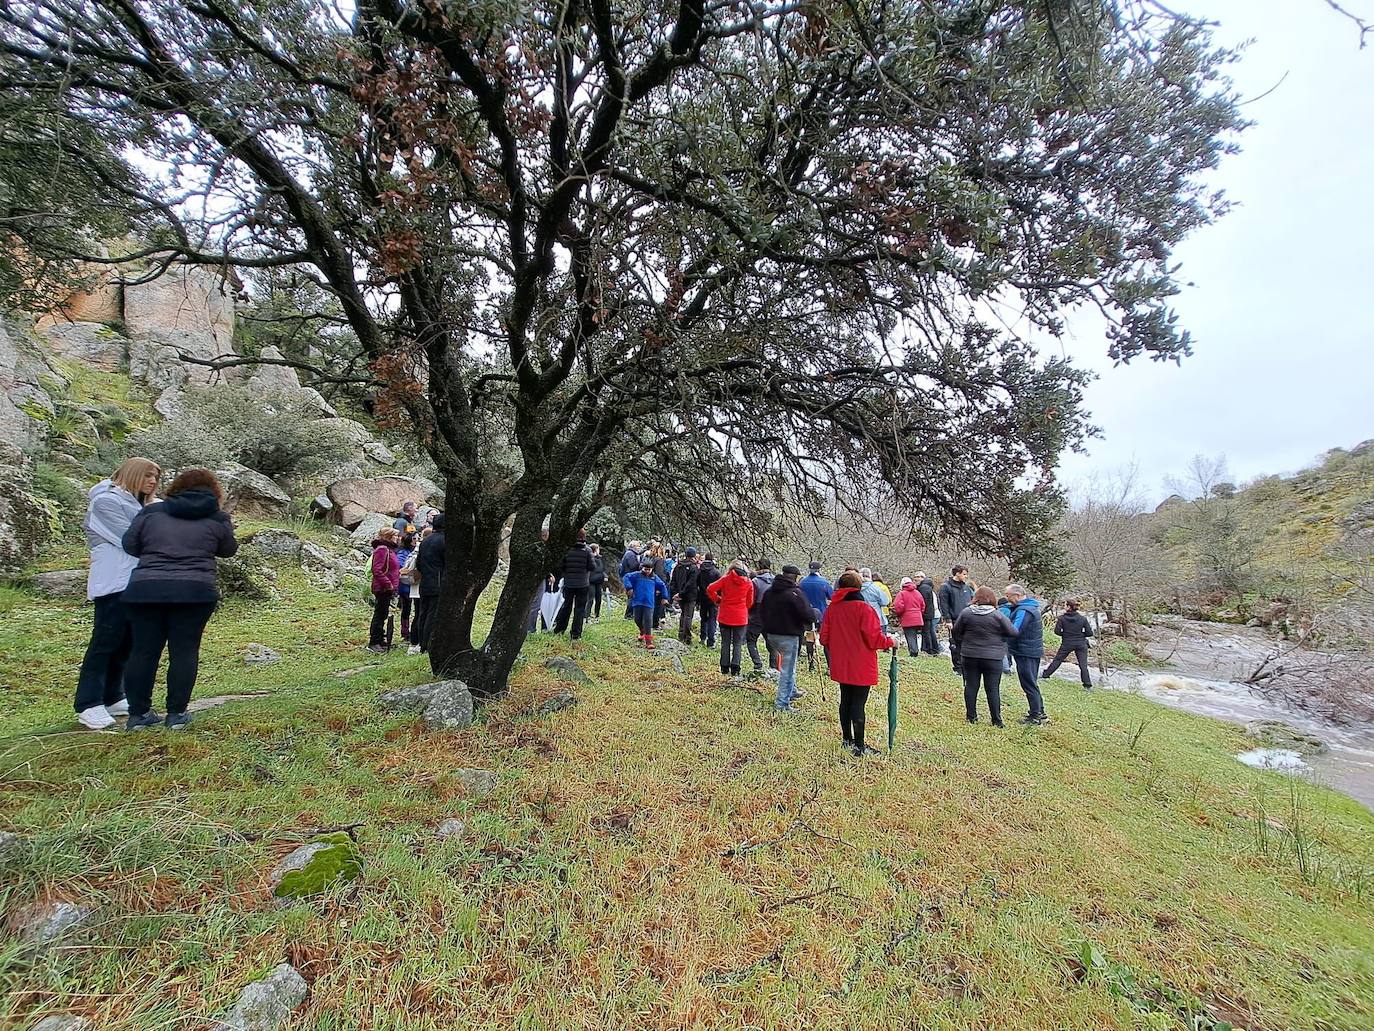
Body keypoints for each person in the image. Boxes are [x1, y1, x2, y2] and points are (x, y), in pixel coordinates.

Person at [119, 468, 238, 730]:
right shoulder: (217, 518)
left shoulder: (151, 512)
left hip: (146, 589)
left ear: (175, 487)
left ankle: (138, 715)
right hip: (195, 590)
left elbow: (130, 545)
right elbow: (228, 550)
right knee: (184, 651)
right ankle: (177, 714)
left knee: (143, 651)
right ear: (215, 492)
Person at [74, 457, 161, 730]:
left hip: (141, 581)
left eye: (156, 477)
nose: (152, 481)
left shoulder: (143, 504)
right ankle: (88, 703)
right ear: (132, 474)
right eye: (147, 475)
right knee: (105, 642)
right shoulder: (106, 501)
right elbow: (131, 540)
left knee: (128, 643)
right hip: (114, 581)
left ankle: (113, 695)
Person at [820, 571, 898, 756]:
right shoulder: (865, 609)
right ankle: (859, 746)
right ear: (859, 587)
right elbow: (874, 640)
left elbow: (824, 638)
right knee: (858, 704)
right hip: (861, 664)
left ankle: (847, 740)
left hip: (841, 663)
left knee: (845, 700)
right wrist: (891, 641)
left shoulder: (833, 608)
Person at [950, 586, 1017, 726]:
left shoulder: (966, 613)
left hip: (969, 655)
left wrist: (963, 644)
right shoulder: (997, 615)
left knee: (971, 686)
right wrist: (1000, 638)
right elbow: (1013, 632)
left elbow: (956, 632)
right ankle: (996, 720)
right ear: (992, 599)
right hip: (993, 657)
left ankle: (971, 717)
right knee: (992, 689)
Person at [761, 564, 817, 713]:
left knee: (789, 666)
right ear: (795, 578)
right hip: (789, 635)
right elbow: (808, 615)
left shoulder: (769, 592)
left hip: (771, 635)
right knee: (787, 668)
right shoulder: (795, 594)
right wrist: (815, 613)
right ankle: (782, 703)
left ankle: (791, 691)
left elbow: (762, 612)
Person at [1005, 583, 1048, 725]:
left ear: (1017, 596)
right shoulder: (1030, 608)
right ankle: (1040, 712)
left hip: (1026, 652)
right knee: (1032, 682)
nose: (1007, 598)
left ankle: (1035, 715)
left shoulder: (1024, 610)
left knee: (1028, 683)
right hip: (1030, 650)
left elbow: (1014, 630)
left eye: (1008, 596)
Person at [706, 560, 754, 676]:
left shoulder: (725, 579)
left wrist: (718, 600)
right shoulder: (748, 582)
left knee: (725, 642)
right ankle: (735, 668)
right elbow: (750, 601)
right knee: (737, 643)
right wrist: (743, 608)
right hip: (740, 617)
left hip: (725, 615)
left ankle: (724, 667)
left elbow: (710, 589)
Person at [553, 529, 595, 639]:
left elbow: (560, 565)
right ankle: (575, 634)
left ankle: (559, 629)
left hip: (569, 583)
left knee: (566, 606)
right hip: (583, 583)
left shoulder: (567, 549)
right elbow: (592, 567)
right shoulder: (587, 550)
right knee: (580, 609)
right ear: (584, 537)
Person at [412, 514, 445, 653]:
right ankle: (428, 644)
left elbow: (418, 564)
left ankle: (421, 643)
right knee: (433, 614)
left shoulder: (425, 541)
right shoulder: (444, 541)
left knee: (422, 614)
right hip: (438, 583)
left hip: (424, 583)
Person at [1043, 599, 1095, 689]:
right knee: (1083, 665)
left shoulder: (1062, 618)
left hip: (1067, 643)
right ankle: (1087, 685)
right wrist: (1081, 635)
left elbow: (1057, 631)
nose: (1064, 606)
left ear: (1068, 607)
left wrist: (1066, 634)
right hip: (1081, 643)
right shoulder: (1082, 619)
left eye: (1065, 605)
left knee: (1058, 660)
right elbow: (1090, 633)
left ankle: (1046, 675)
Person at [367, 527, 401, 652]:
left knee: (383, 613)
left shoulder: (390, 550)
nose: (397, 538)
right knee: (379, 614)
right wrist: (388, 584)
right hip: (382, 588)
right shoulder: (382, 549)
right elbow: (377, 569)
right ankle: (374, 641)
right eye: (395, 536)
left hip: (388, 588)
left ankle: (381, 639)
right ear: (388, 537)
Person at [623, 558, 669, 649]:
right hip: (637, 601)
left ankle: (649, 641)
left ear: (652, 569)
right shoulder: (636, 575)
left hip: (649, 603)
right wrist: (629, 588)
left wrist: (664, 597)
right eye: (645, 569)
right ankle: (642, 630)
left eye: (649, 569)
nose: (647, 571)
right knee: (637, 619)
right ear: (642, 568)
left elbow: (662, 585)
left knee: (648, 621)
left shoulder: (654, 577)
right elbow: (626, 577)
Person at [938, 566, 975, 673]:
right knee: (956, 644)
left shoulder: (967, 588)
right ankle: (958, 667)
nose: (966, 576)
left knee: (967, 644)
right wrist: (948, 620)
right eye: (964, 574)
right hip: (954, 620)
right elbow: (944, 604)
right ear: (957, 574)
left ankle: (967, 666)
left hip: (968, 620)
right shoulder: (946, 587)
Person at [799, 561, 834, 670]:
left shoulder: (802, 582)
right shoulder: (824, 582)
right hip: (822, 615)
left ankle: (811, 664)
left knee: (810, 638)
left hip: (807, 615)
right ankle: (830, 666)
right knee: (825, 640)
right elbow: (832, 596)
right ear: (819, 569)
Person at [746, 559, 776, 673]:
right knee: (771, 641)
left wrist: (749, 612)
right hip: (772, 612)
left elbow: (751, 599)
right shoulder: (775, 581)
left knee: (751, 639)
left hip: (757, 612)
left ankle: (757, 664)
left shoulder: (755, 581)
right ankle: (773, 666)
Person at [404, 527, 429, 654]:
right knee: (421, 615)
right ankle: (417, 642)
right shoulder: (422, 551)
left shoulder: (415, 551)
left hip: (415, 587)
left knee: (418, 614)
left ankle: (414, 642)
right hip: (421, 587)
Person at [669, 546, 701, 644]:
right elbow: (691, 583)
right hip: (690, 595)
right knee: (688, 616)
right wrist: (681, 593)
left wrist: (675, 593)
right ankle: (687, 637)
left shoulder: (678, 566)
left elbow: (673, 580)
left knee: (683, 614)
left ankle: (681, 634)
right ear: (694, 555)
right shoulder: (694, 568)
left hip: (679, 595)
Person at [890, 576, 927, 657]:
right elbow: (923, 605)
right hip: (918, 618)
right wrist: (919, 613)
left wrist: (899, 614)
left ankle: (914, 652)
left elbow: (898, 606)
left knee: (910, 635)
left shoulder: (901, 594)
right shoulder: (917, 593)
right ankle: (915, 650)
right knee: (914, 635)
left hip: (908, 618)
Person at [697, 553, 721, 649]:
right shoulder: (716, 572)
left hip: (702, 597)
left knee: (703, 618)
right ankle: (710, 642)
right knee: (712, 619)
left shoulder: (700, 570)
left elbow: (697, 583)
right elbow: (720, 587)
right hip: (713, 599)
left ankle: (702, 637)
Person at [396, 532, 416, 641]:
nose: (415, 541)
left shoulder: (412, 551)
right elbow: (402, 568)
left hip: (412, 584)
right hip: (405, 585)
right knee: (406, 609)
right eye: (414, 539)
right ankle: (405, 631)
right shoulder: (402, 553)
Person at [915, 572, 940, 655]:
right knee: (929, 631)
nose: (916, 578)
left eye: (919, 577)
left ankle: (929, 649)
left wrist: (922, 612)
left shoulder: (923, 588)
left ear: (923, 578)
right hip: (930, 613)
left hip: (927, 613)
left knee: (928, 632)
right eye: (916, 577)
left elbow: (923, 602)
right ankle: (932, 649)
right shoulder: (927, 587)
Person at [619, 539, 642, 621]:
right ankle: (628, 615)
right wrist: (641, 565)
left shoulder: (628, 553)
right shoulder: (631, 555)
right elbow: (633, 566)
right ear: (634, 546)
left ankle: (630, 614)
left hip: (628, 577)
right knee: (632, 596)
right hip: (630, 578)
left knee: (631, 596)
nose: (640, 548)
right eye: (638, 546)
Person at [588, 543, 607, 618]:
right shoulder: (590, 558)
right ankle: (587, 616)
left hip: (599, 581)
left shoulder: (599, 558)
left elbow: (601, 569)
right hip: (591, 581)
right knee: (590, 599)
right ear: (595, 549)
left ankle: (597, 615)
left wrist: (604, 575)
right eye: (598, 549)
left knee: (598, 599)